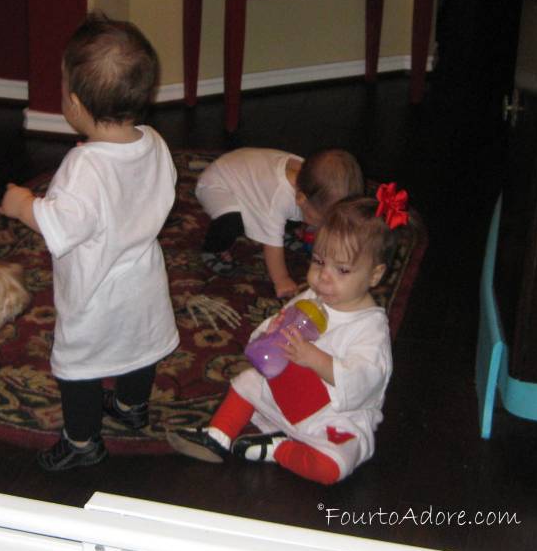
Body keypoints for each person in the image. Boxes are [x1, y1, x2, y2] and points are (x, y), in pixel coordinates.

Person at [0, 11, 178, 471]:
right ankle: (131, 406)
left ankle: (81, 441)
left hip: (97, 295)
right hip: (144, 282)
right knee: (141, 347)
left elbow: (62, 226)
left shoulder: (82, 168)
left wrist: (23, 205)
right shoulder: (154, 142)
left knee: (77, 366)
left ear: (76, 105)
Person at [168, 184, 409, 484]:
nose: (324, 276)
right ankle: (218, 435)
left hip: (334, 417)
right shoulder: (311, 298)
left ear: (375, 275)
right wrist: (271, 330)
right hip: (290, 397)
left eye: (343, 270)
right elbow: (272, 332)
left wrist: (315, 359)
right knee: (250, 381)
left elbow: (365, 380)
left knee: (334, 467)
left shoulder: (370, 328)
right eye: (318, 261)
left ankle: (280, 449)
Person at [195, 147, 363, 298]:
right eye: (323, 221)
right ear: (300, 197)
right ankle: (214, 248)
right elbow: (271, 246)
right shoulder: (279, 200)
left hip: (245, 172)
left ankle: (290, 227)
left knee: (300, 212)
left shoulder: (313, 180)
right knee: (232, 220)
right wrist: (282, 280)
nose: (324, 226)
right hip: (217, 184)